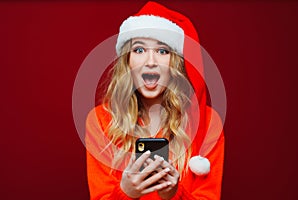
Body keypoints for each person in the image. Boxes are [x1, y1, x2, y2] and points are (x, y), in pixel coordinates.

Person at [85, 1, 224, 199]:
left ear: (176, 63)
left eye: (162, 51)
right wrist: (125, 193)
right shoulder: (100, 120)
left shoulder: (208, 122)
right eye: (139, 50)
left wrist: (175, 194)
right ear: (127, 61)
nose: (150, 62)